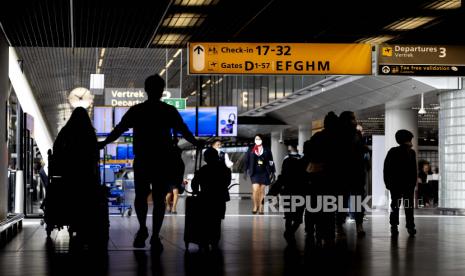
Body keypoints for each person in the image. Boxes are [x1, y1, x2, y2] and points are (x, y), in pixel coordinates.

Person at [98, 74, 202, 251]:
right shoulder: (168, 111)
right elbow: (184, 130)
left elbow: (119, 129)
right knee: (160, 199)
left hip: (143, 160)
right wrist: (196, 142)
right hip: (162, 161)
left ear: (146, 90)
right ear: (162, 91)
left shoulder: (137, 110)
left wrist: (104, 143)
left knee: (140, 197)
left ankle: (142, 229)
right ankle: (155, 236)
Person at [51, 107, 104, 245]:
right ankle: (84, 225)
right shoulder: (90, 133)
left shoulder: (66, 131)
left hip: (68, 174)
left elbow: (56, 148)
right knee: (87, 198)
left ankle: (73, 220)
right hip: (86, 175)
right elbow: (95, 153)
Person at [304, 112, 339, 246]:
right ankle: (328, 232)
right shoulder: (338, 139)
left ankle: (314, 229)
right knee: (329, 207)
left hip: (316, 177)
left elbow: (309, 154)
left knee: (314, 205)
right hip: (331, 178)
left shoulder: (317, 137)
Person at [191, 147, 231, 250]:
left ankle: (204, 240)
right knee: (216, 222)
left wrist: (196, 188)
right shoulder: (225, 169)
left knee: (205, 221)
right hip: (219, 199)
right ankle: (214, 241)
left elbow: (194, 184)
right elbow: (227, 182)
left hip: (205, 199)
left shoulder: (204, 170)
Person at [336, 111, 368, 237]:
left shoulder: (357, 134)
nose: (355, 121)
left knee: (355, 200)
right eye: (352, 119)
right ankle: (340, 225)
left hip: (355, 172)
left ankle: (358, 225)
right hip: (345, 172)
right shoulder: (339, 135)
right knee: (342, 201)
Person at [268, 143, 306, 246]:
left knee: (288, 217)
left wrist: (269, 197)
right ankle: (290, 233)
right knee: (298, 219)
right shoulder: (302, 177)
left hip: (287, 196)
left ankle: (289, 232)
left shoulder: (284, 176)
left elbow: (277, 186)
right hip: (300, 197)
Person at [383, 129, 417, 236]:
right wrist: (413, 183)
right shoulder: (409, 152)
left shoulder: (394, 151)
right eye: (410, 140)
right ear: (406, 140)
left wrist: (387, 183)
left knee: (396, 205)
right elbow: (413, 170)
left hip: (397, 185)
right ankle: (409, 227)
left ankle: (395, 226)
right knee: (407, 206)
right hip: (404, 185)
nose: (411, 142)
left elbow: (386, 168)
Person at [244, 134, 275, 214]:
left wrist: (273, 171)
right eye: (256, 139)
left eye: (259, 139)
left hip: (264, 172)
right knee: (255, 189)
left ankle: (261, 207)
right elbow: (246, 160)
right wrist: (245, 171)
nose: (257, 140)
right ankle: (255, 206)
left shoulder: (267, 149)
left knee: (262, 190)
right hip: (254, 172)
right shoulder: (251, 149)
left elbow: (271, 161)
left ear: (262, 140)